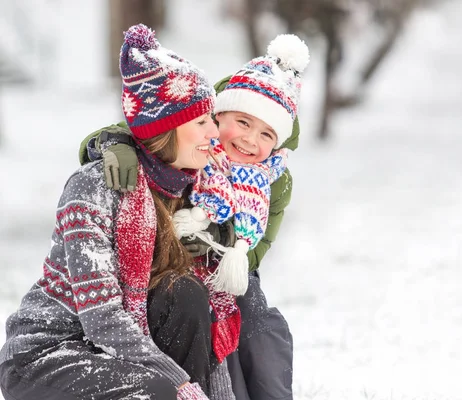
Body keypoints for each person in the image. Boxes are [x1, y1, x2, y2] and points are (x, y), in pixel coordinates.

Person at [0, 24, 234, 400]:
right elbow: (101, 318)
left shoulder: (196, 192)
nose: (215, 134)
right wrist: (181, 385)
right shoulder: (93, 188)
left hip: (122, 351)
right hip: (48, 354)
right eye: (202, 121)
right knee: (159, 392)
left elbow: (204, 329)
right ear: (167, 128)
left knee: (187, 296)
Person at [79, 34, 309, 400]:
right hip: (166, 256)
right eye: (243, 122)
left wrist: (221, 240)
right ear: (218, 115)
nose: (250, 140)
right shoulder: (199, 142)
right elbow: (153, 129)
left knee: (262, 326)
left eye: (266, 133)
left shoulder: (274, 181)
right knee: (190, 302)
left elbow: (258, 247)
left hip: (229, 265)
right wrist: (110, 141)